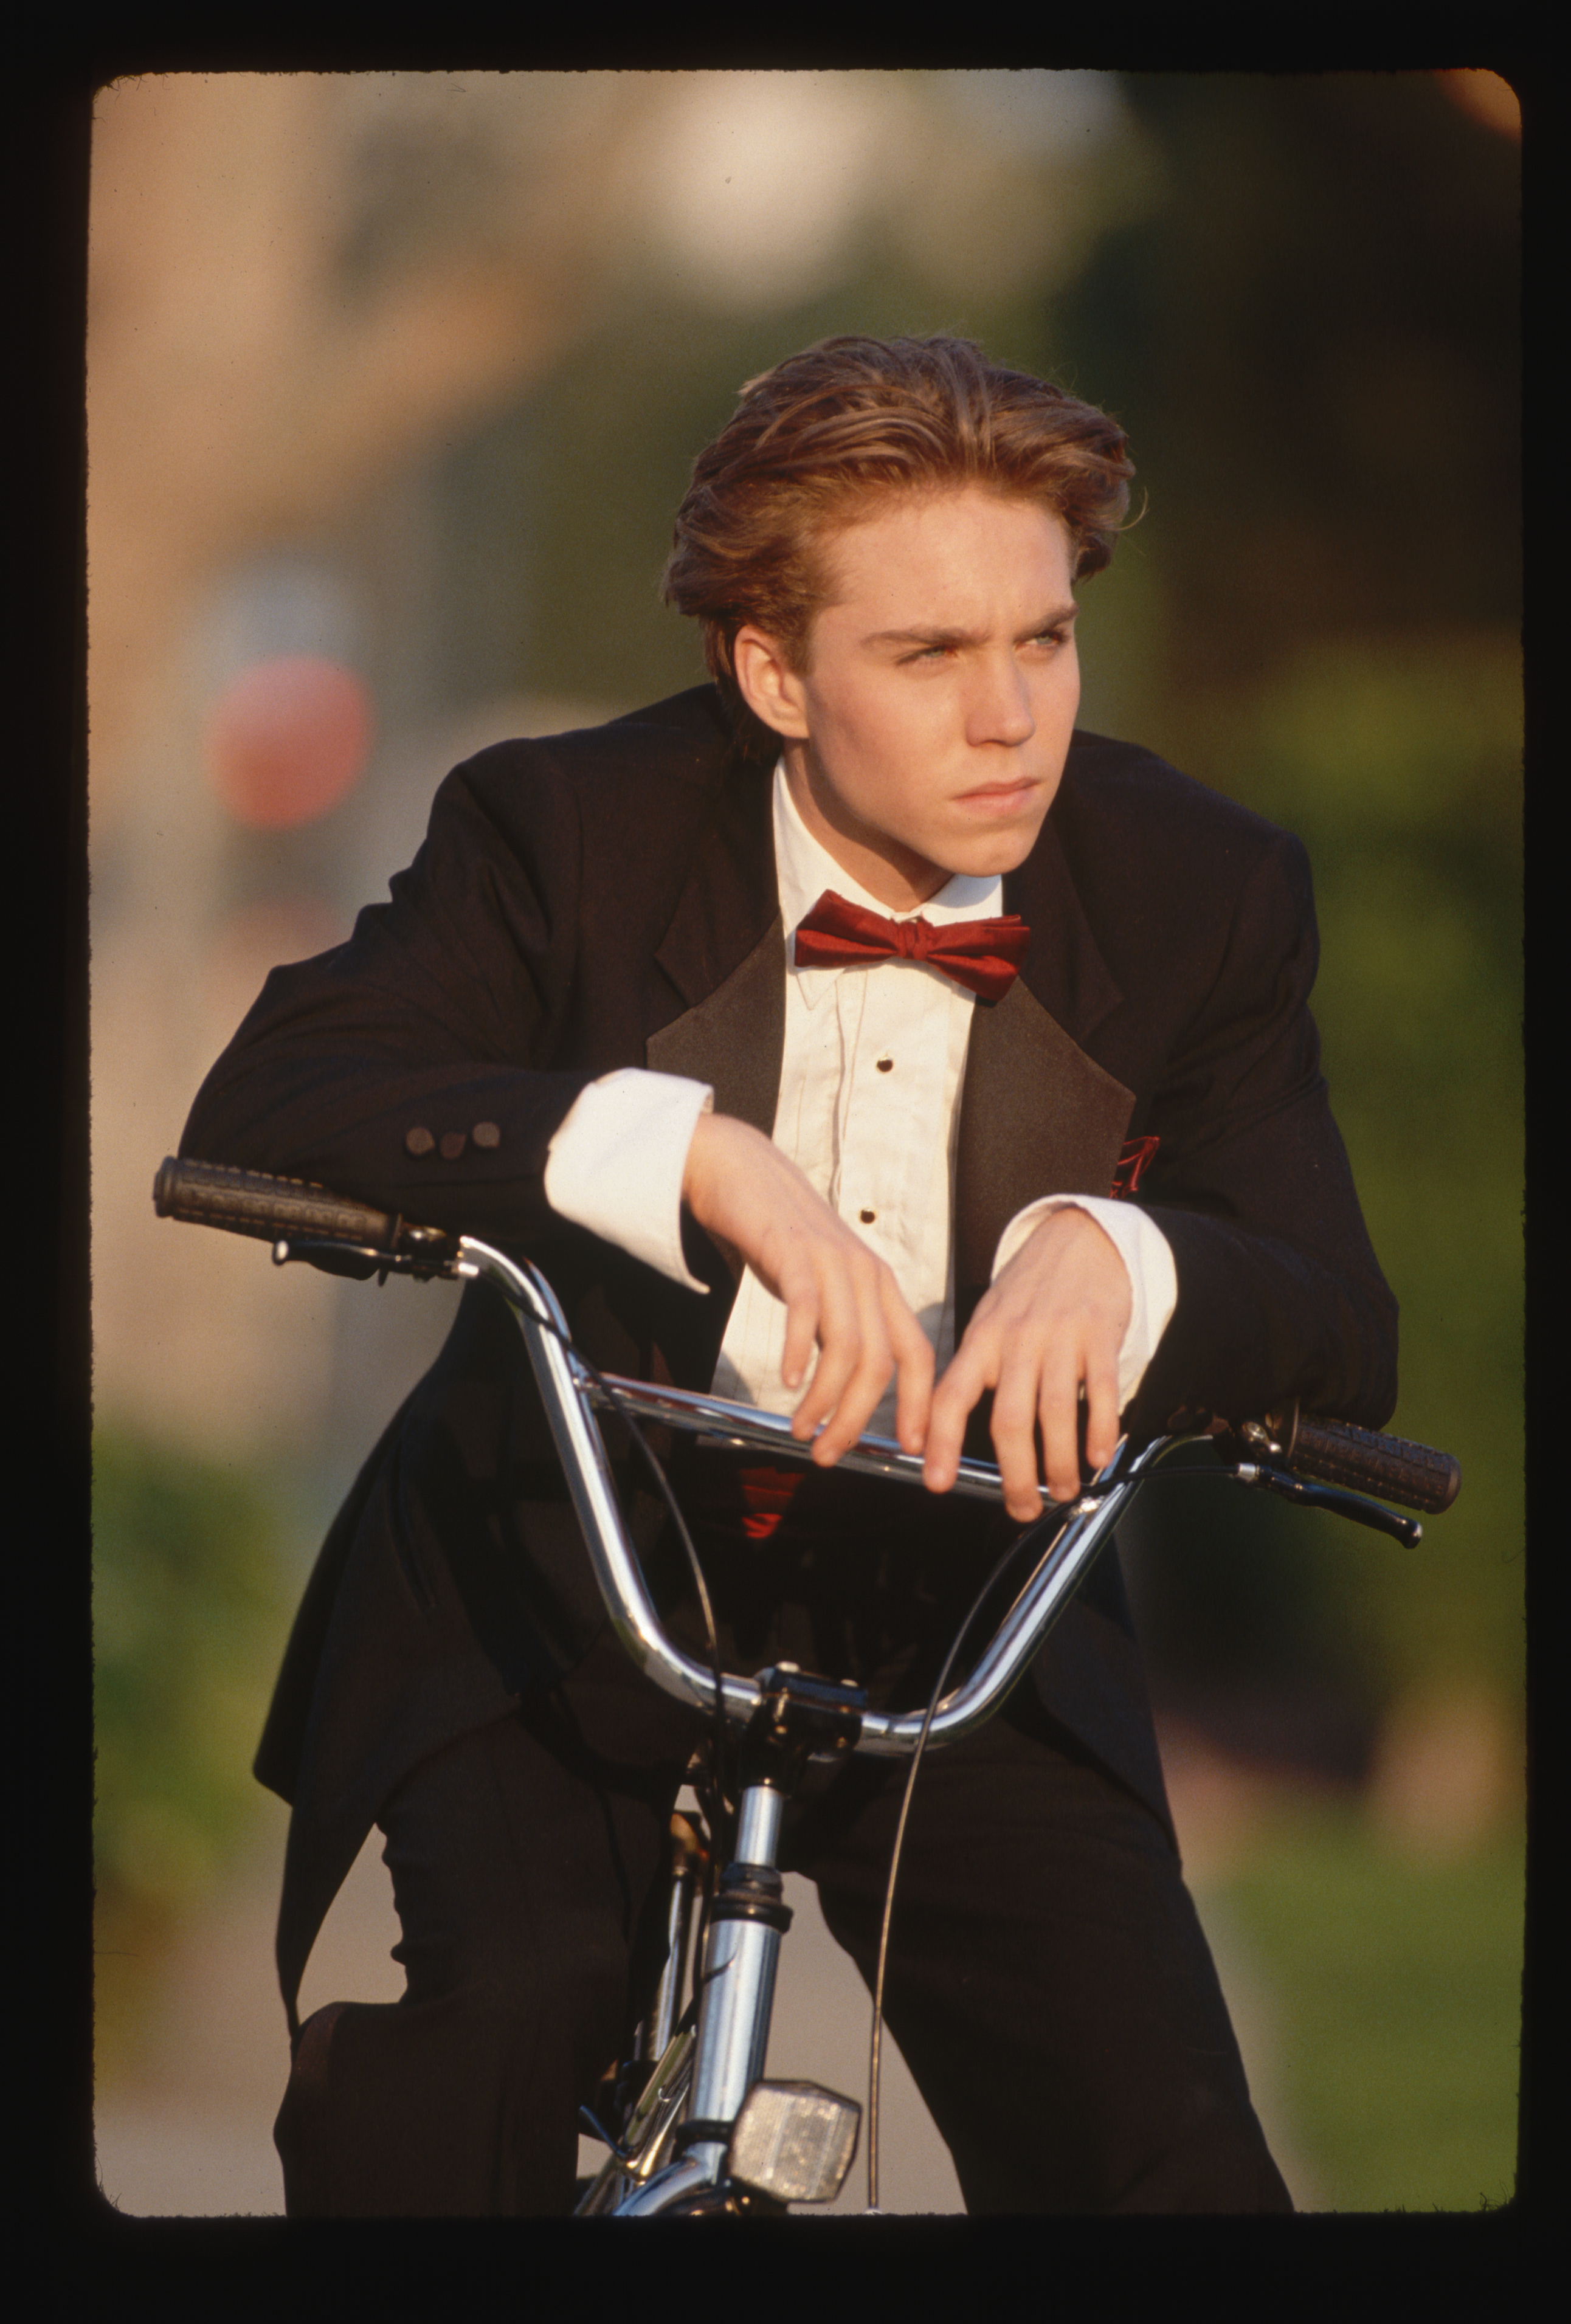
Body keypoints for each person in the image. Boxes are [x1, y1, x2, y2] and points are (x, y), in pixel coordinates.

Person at [181, 334, 1397, 2215]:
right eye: (927, 656)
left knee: (1167, 2162)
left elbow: (1333, 1309)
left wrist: (1123, 1253)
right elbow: (284, 1090)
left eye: (1044, 640)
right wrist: (689, 1156)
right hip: (573, 1568)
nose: (1013, 721)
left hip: (962, 1603)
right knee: (497, 2034)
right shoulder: (564, 827)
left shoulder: (1202, 885)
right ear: (773, 670)